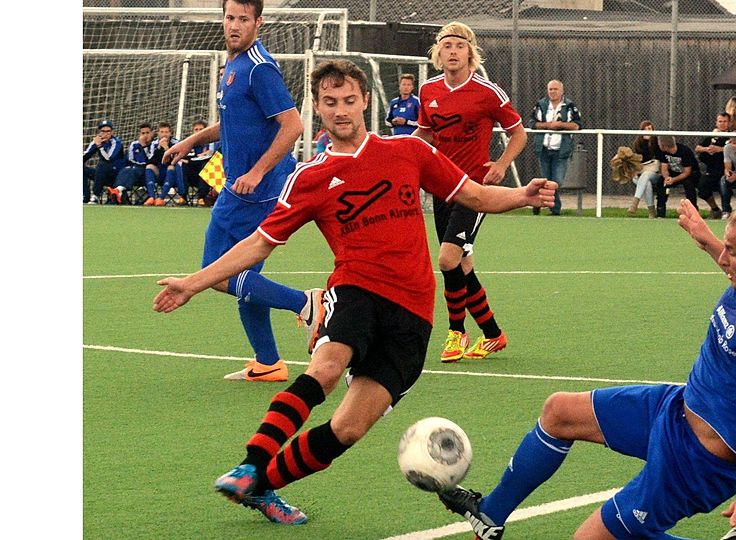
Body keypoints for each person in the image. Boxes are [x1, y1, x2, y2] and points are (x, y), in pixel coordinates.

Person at [153, 59, 558, 526]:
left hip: (413, 311)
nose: (341, 110)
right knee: (326, 369)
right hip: (355, 289)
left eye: (349, 100)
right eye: (330, 102)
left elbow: (476, 196)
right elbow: (260, 242)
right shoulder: (310, 177)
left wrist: (522, 195)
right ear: (317, 108)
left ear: (366, 100)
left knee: (348, 428)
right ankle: (251, 462)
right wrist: (194, 282)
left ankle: (262, 487)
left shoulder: (409, 151)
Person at [437, 197, 736, 540]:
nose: (724, 260)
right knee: (560, 411)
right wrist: (703, 236)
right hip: (675, 408)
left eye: (733, 252)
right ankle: (490, 516)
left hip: (699, 462)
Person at [162, 0, 314, 382]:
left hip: (252, 192)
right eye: (230, 17)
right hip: (246, 187)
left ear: (257, 22)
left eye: (243, 19)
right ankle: (268, 362)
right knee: (245, 279)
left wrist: (258, 171)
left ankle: (308, 304)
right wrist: (191, 141)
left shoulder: (259, 68)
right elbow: (233, 120)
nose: (234, 25)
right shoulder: (235, 63)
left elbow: (292, 125)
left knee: (214, 273)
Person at [412, 21, 528, 362]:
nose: (452, 51)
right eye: (446, 46)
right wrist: (399, 156)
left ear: (470, 53)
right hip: (441, 188)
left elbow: (518, 133)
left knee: (447, 259)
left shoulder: (488, 92)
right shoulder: (428, 91)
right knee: (462, 266)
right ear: (438, 53)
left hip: (475, 189)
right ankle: (493, 334)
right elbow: (424, 136)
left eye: (459, 46)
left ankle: (456, 333)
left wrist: (502, 164)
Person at [527, 79, 583, 216]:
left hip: (561, 149)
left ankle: (540, 201)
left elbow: (577, 125)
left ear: (562, 91)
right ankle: (554, 209)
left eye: (555, 89)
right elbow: (532, 123)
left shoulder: (569, 106)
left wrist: (560, 125)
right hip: (544, 148)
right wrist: (548, 125)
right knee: (546, 179)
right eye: (550, 89)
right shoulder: (541, 105)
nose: (552, 92)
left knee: (557, 181)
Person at [694, 112, 730, 219]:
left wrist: (720, 149)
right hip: (712, 170)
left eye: (725, 122)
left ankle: (726, 210)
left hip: (726, 170)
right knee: (702, 187)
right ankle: (715, 209)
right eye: (720, 121)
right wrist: (707, 149)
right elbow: (698, 148)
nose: (722, 124)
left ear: (729, 123)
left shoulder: (732, 136)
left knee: (724, 187)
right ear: (716, 122)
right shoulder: (712, 136)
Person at [653, 135, 699, 218]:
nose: (658, 146)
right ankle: (660, 211)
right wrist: (667, 178)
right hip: (673, 173)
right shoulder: (662, 152)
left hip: (690, 174)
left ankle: (693, 211)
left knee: (688, 184)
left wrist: (673, 180)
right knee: (661, 182)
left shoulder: (685, 151)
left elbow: (687, 172)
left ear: (665, 146)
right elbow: (664, 168)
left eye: (660, 144)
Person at [83, 120, 127, 204]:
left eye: (108, 131)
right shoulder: (97, 141)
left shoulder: (116, 142)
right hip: (101, 175)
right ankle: (85, 196)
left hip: (116, 175)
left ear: (112, 132)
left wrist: (99, 146)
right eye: (103, 131)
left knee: (102, 165)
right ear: (99, 132)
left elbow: (108, 159)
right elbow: (86, 155)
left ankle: (95, 196)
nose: (105, 134)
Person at [115, 122, 157, 205]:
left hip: (148, 173)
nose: (145, 135)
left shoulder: (154, 144)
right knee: (125, 169)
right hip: (135, 171)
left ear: (151, 134)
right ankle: (119, 192)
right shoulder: (134, 144)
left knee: (134, 169)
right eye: (143, 133)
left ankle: (118, 190)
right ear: (139, 134)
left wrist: (144, 146)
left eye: (147, 133)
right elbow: (130, 159)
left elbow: (150, 160)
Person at [178, 120, 218, 206]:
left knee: (206, 166)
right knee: (182, 165)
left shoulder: (211, 143)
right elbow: (185, 157)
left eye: (201, 129)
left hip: (207, 174)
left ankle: (201, 197)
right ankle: (183, 196)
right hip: (192, 173)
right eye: (196, 130)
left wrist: (197, 157)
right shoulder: (189, 143)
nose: (198, 132)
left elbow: (212, 155)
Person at [626, 120, 660, 218]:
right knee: (647, 184)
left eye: (649, 129)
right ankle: (652, 213)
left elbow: (659, 159)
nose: (647, 131)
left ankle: (634, 203)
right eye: (644, 129)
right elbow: (636, 161)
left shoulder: (657, 141)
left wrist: (650, 141)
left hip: (654, 173)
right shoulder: (638, 143)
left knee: (646, 176)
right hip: (640, 173)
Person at [150, 122, 185, 206]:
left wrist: (166, 148)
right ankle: (151, 197)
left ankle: (161, 198)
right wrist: (159, 147)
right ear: (158, 133)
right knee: (149, 167)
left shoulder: (176, 143)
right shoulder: (154, 144)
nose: (164, 134)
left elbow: (175, 159)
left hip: (172, 172)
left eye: (166, 132)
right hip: (160, 170)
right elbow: (152, 160)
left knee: (171, 167)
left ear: (170, 133)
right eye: (162, 132)